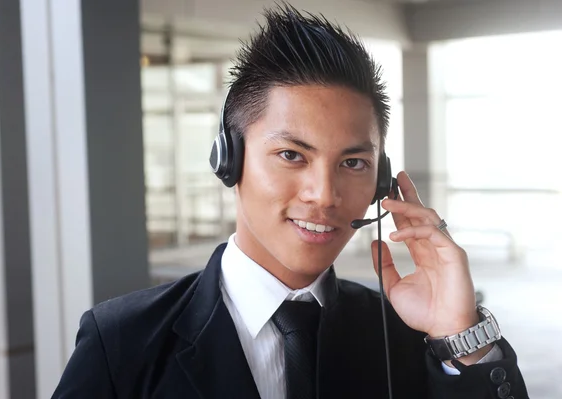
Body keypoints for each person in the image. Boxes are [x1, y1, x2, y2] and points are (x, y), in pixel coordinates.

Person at [52, 4, 528, 399]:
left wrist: (461, 338)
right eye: (290, 155)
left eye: (353, 163)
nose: (324, 195)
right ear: (228, 160)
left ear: (382, 179)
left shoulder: (408, 336)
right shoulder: (121, 342)